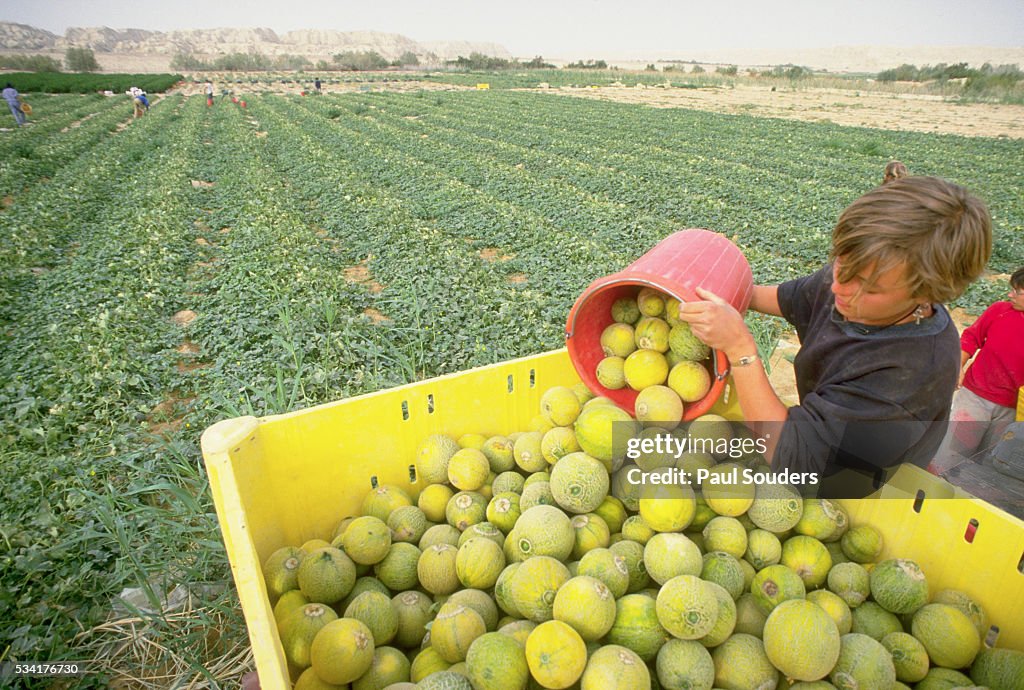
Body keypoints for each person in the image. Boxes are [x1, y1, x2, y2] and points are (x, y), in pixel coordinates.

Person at [677, 176, 992, 496]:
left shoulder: (911, 376)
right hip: (818, 434)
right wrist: (726, 292)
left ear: (926, 294)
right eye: (841, 261)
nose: (838, 286)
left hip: (865, 485)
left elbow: (793, 463)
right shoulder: (856, 274)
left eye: (869, 287)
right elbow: (795, 297)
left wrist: (740, 349)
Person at [929, 267, 1024, 474]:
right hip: (974, 398)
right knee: (950, 454)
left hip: (1011, 410)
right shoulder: (1000, 311)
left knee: (989, 463)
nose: (1011, 295)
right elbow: (971, 338)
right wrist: (958, 366)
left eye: (1017, 291)